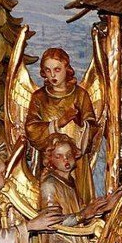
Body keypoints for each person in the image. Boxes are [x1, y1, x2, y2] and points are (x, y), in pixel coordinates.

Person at [23, 47, 99, 202]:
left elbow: (92, 126)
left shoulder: (80, 95)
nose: (52, 75)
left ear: (67, 68)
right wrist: (60, 122)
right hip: (50, 160)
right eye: (48, 70)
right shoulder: (39, 97)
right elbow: (31, 129)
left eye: (57, 69)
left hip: (76, 160)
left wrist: (80, 123)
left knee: (78, 200)